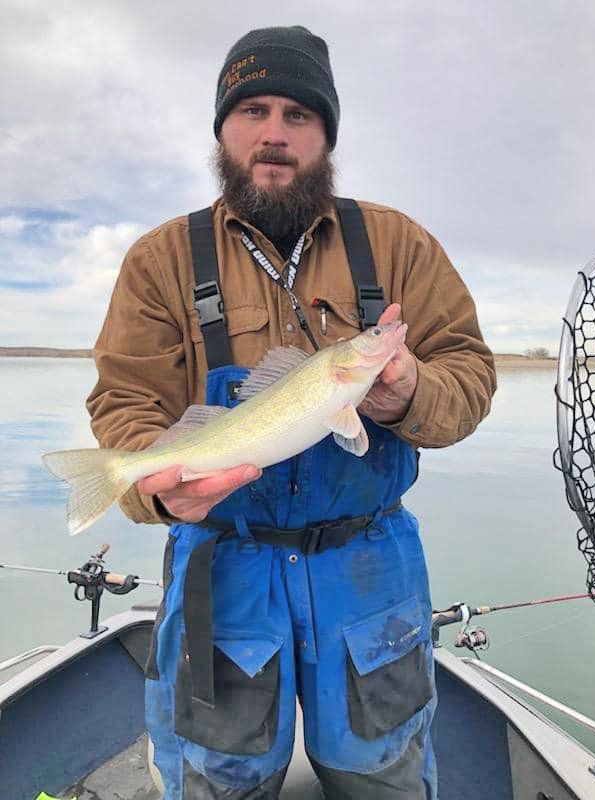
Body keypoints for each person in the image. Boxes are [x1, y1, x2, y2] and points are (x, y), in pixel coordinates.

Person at [87, 25, 496, 800]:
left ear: (327, 135)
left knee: (383, 768)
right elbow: (126, 401)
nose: (274, 134)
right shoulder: (160, 260)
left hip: (369, 565)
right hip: (224, 560)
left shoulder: (400, 242)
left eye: (299, 115)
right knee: (222, 774)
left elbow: (470, 378)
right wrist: (152, 485)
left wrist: (409, 392)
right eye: (254, 111)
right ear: (223, 130)